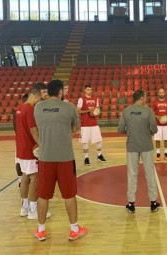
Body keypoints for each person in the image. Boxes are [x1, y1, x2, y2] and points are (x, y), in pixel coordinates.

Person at [33, 79, 87, 241]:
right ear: (60, 92)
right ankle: (74, 229)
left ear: (48, 92)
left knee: (43, 195)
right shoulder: (69, 107)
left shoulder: (38, 107)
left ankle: (41, 230)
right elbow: (75, 128)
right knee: (69, 195)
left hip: (45, 157)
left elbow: (40, 126)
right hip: (65, 158)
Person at [118, 89, 161, 213]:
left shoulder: (126, 111)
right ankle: (153, 203)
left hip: (132, 146)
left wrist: (131, 131)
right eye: (145, 97)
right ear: (141, 98)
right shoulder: (148, 111)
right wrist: (147, 132)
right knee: (150, 175)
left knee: (132, 175)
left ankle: (131, 204)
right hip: (146, 146)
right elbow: (154, 129)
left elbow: (120, 129)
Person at [15, 88, 50, 220]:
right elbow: (33, 130)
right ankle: (33, 210)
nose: (39, 102)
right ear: (35, 96)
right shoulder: (29, 108)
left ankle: (24, 208)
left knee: (25, 176)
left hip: (21, 148)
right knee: (35, 177)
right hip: (30, 149)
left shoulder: (19, 107)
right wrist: (42, 145)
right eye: (39, 99)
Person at [77, 84, 106, 166]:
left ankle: (99, 155)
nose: (90, 91)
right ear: (85, 90)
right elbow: (78, 111)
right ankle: (86, 158)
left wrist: (95, 112)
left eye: (91, 89)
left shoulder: (95, 99)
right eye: (88, 89)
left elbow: (97, 110)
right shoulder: (81, 99)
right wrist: (88, 111)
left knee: (99, 140)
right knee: (85, 141)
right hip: (85, 125)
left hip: (94, 124)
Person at [151, 88, 167, 161]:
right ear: (158, 93)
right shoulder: (155, 102)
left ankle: (166, 154)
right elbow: (152, 112)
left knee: (166, 139)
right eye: (160, 92)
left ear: (164, 93)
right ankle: (158, 154)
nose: (161, 94)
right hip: (157, 124)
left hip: (166, 124)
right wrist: (157, 117)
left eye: (162, 92)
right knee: (158, 139)